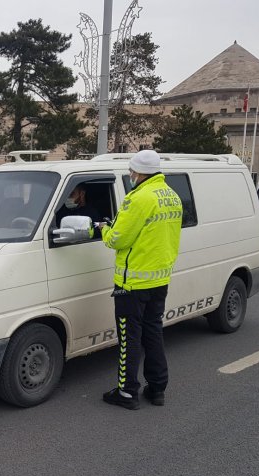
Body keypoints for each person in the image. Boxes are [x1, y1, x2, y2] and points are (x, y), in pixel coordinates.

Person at [96, 150, 183, 410]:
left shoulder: (138, 198)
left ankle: (126, 392)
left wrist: (103, 229)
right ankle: (157, 389)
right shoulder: (171, 195)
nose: (131, 176)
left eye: (132, 172)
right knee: (153, 333)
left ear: (139, 172)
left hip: (132, 283)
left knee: (129, 338)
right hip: (159, 279)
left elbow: (117, 239)